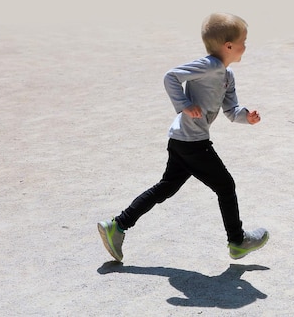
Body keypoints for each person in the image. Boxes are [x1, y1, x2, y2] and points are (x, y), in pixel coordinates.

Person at [98, 13, 268, 261]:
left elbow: (231, 111)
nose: (246, 46)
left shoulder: (227, 76)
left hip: (182, 140)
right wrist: (184, 105)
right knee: (225, 186)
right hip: (192, 142)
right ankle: (238, 241)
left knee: (165, 188)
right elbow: (171, 76)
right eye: (244, 41)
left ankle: (117, 225)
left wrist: (247, 117)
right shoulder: (208, 65)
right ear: (228, 46)